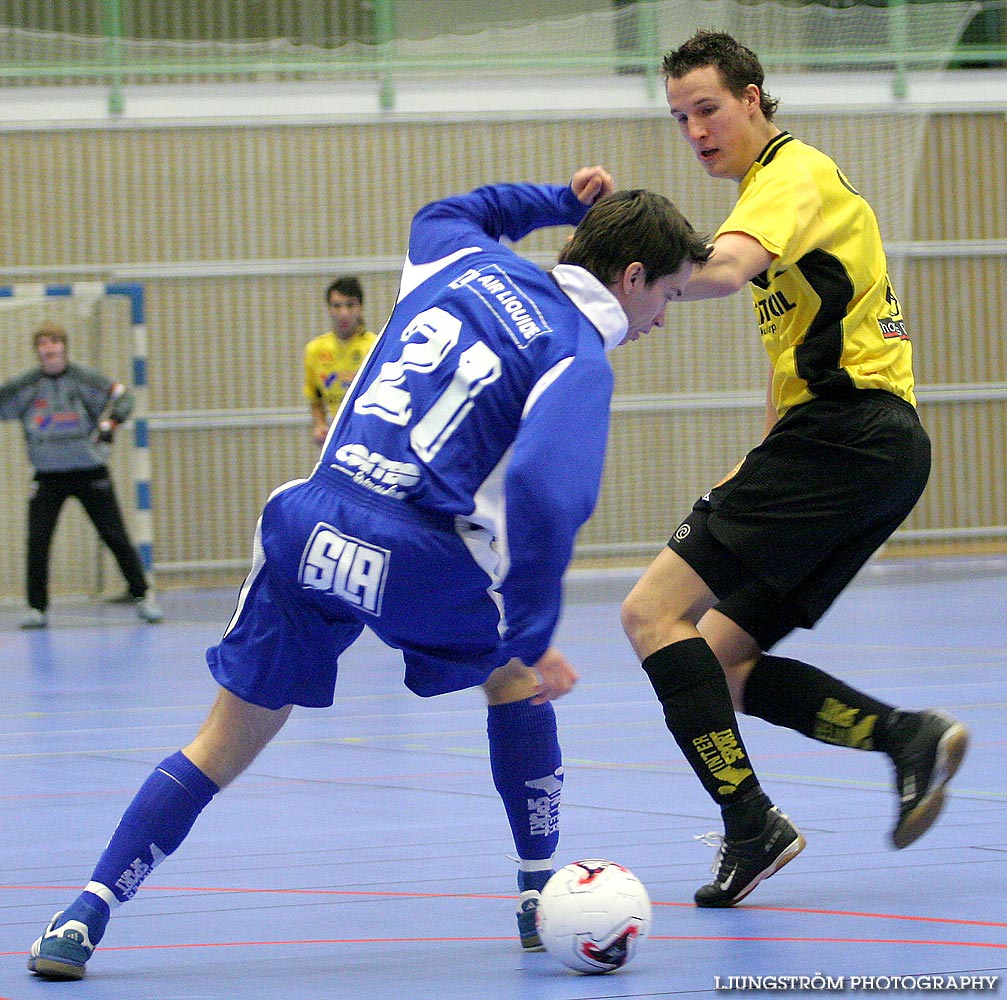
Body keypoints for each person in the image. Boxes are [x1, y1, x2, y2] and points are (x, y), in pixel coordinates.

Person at [27, 167, 712, 980]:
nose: (662, 318)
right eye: (667, 296)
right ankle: (536, 894)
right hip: (419, 558)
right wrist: (529, 634)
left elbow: (452, 208)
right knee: (516, 680)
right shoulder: (576, 356)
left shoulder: (456, 260)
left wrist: (561, 202)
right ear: (630, 278)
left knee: (225, 738)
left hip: (308, 521)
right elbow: (542, 491)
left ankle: (86, 911)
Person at [620, 30, 969, 909]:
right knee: (723, 659)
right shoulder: (779, 195)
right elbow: (793, 361)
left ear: (751, 99)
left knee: (650, 614)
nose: (694, 129)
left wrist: (624, 279)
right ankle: (904, 737)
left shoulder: (787, 177)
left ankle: (752, 827)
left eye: (706, 108)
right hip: (871, 447)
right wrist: (755, 461)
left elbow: (724, 269)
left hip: (848, 438)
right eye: (678, 117)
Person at [0, 322, 162, 628]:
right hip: (48, 476)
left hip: (90, 471)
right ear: (37, 351)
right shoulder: (26, 386)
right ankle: (37, 607)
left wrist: (111, 423)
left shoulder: (84, 379)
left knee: (114, 534)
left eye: (54, 342)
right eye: (43, 344)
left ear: (64, 347)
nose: (49, 349)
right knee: (38, 539)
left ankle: (142, 595)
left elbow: (124, 397)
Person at [304, 276, 379, 446]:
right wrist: (320, 425)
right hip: (337, 439)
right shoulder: (315, 349)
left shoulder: (375, 347)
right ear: (329, 309)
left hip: (371, 437)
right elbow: (315, 397)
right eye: (337, 306)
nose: (343, 313)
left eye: (350, 305)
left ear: (360, 308)